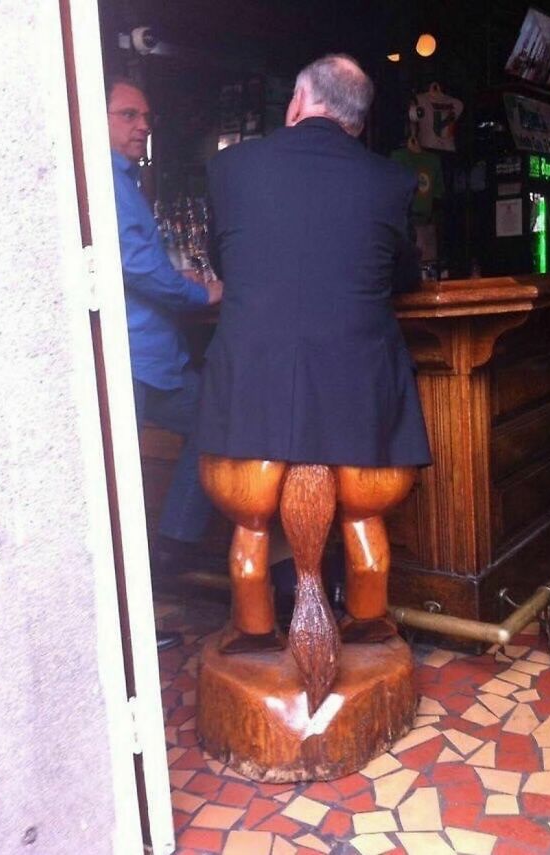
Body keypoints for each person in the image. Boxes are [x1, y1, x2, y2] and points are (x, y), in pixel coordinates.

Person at [197, 55, 431, 654]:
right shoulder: (391, 181)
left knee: (249, 523)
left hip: (253, 390)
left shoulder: (230, 168)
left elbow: (225, 261)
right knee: (363, 516)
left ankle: (253, 632)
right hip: (360, 396)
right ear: (355, 121)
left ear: (298, 101)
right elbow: (404, 274)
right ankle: (371, 627)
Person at [106, 77, 223, 633]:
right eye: (128, 115)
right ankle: (130, 611)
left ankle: (171, 548)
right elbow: (137, 268)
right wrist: (202, 292)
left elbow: (140, 263)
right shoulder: (107, 180)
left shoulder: (126, 181)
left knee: (213, 419)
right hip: (129, 355)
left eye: (146, 115)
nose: (143, 125)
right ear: (97, 118)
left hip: (156, 354)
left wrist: (178, 279)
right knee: (117, 480)